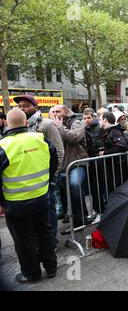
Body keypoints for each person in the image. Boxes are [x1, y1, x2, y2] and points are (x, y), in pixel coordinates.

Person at [1, 109, 58, 283]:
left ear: (7, 124)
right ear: (26, 123)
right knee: (45, 232)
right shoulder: (40, 139)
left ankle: (32, 273)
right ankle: (51, 267)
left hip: (17, 204)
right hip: (42, 197)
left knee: (24, 239)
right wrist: (45, 183)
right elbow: (53, 162)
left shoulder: (3, 146)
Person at [52, 105, 89, 231]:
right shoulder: (53, 125)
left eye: (58, 111)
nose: (56, 113)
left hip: (76, 163)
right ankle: (77, 217)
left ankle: (80, 219)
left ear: (66, 112)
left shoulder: (76, 122)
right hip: (62, 165)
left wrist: (60, 127)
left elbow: (74, 137)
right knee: (65, 193)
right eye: (54, 111)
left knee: (75, 186)